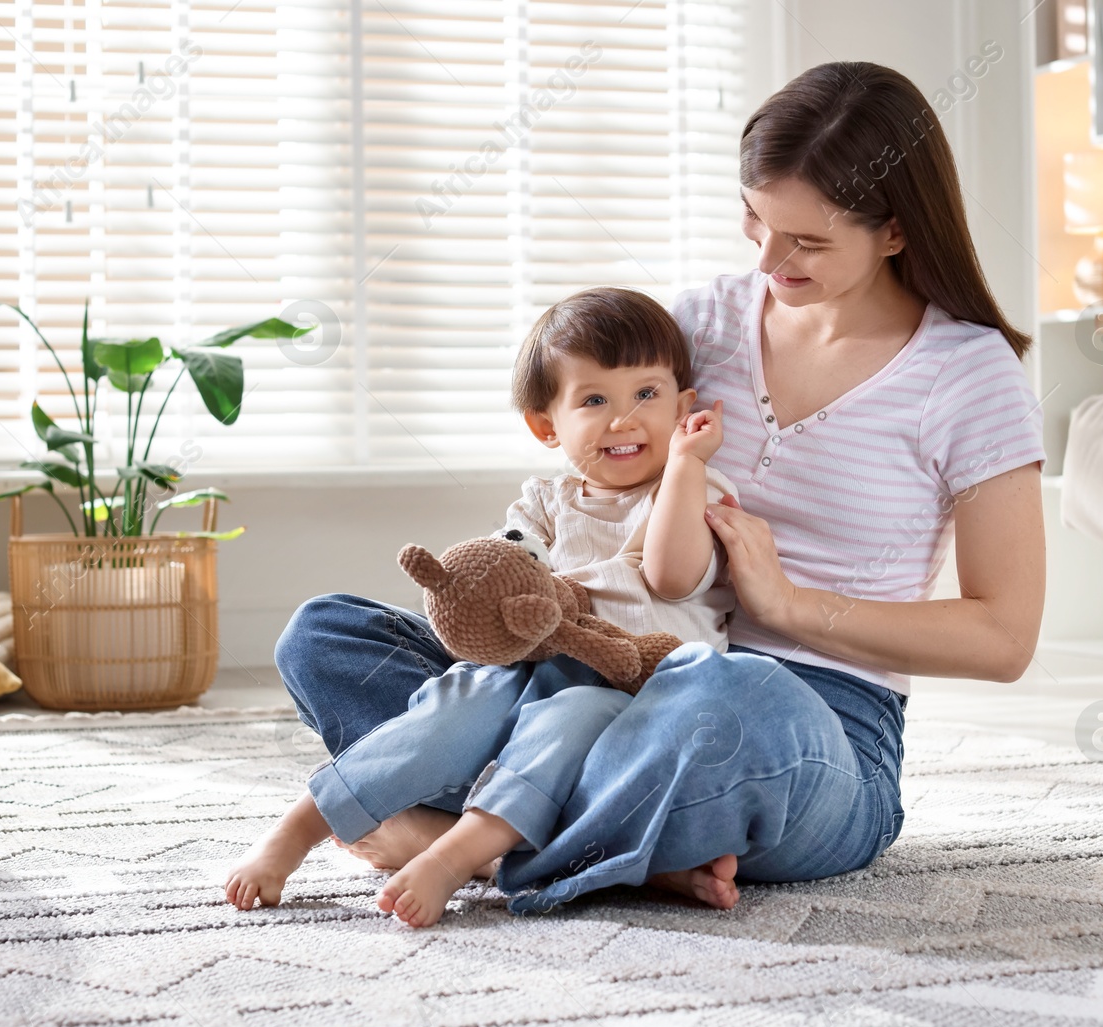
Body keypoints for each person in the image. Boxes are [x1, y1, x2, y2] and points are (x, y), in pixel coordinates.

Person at [272, 60, 1047, 915]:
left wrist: (786, 606)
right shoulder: (706, 320)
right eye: (755, 219)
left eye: (807, 241)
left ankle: (446, 836)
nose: (768, 258)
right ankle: (620, 853)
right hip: (602, 673)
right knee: (330, 634)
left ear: (896, 232)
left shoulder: (969, 374)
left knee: (722, 692)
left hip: (807, 717)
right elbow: (594, 446)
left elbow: (1002, 638)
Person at [224, 287, 739, 926]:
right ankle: (299, 827)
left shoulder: (695, 486)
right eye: (594, 400)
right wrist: (468, 597)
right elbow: (498, 581)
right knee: (442, 695)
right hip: (529, 669)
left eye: (647, 395)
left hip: (637, 699)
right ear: (546, 425)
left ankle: (453, 853)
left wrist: (688, 464)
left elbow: (671, 575)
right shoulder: (543, 504)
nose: (624, 419)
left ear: (684, 406)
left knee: (568, 720)